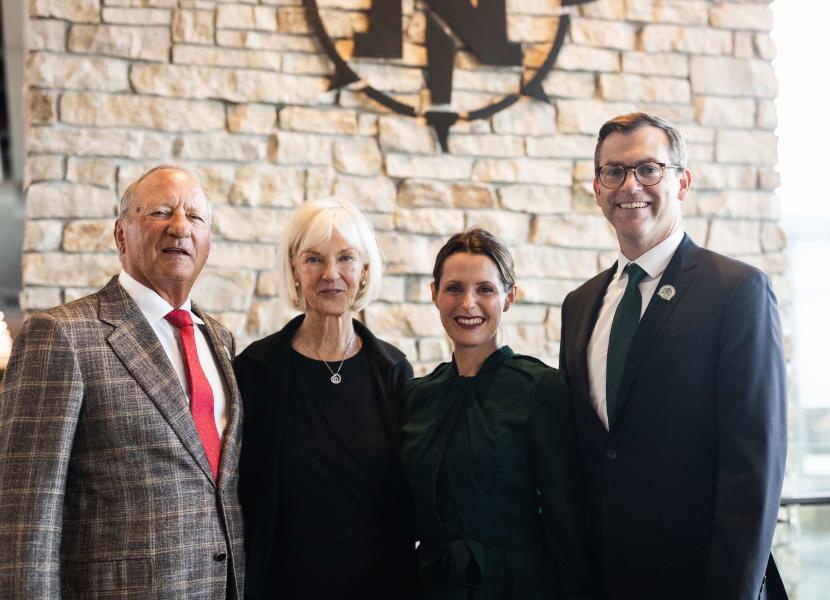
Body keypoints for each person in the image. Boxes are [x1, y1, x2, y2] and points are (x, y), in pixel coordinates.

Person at [559, 112, 788, 600]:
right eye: (614, 172)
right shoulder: (579, 306)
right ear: (597, 189)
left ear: (682, 183)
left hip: (701, 581)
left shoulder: (737, 291)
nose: (630, 185)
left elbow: (753, 468)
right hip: (602, 580)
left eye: (648, 168)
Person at [0, 165, 245, 598]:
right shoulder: (62, 335)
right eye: (160, 212)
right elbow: (24, 514)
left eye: (195, 217)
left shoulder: (220, 340)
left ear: (208, 241)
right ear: (120, 235)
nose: (180, 227)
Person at [233, 198, 417, 600]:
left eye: (346, 258)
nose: (330, 274)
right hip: (282, 584)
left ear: (364, 271)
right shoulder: (255, 370)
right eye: (314, 259)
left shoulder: (393, 372)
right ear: (295, 270)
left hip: (379, 586)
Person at [402, 229, 594, 599]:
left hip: (516, 583)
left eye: (485, 289)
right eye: (454, 288)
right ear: (434, 295)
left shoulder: (539, 387)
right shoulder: (417, 395)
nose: (468, 303)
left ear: (509, 297)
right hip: (433, 583)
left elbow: (566, 516)